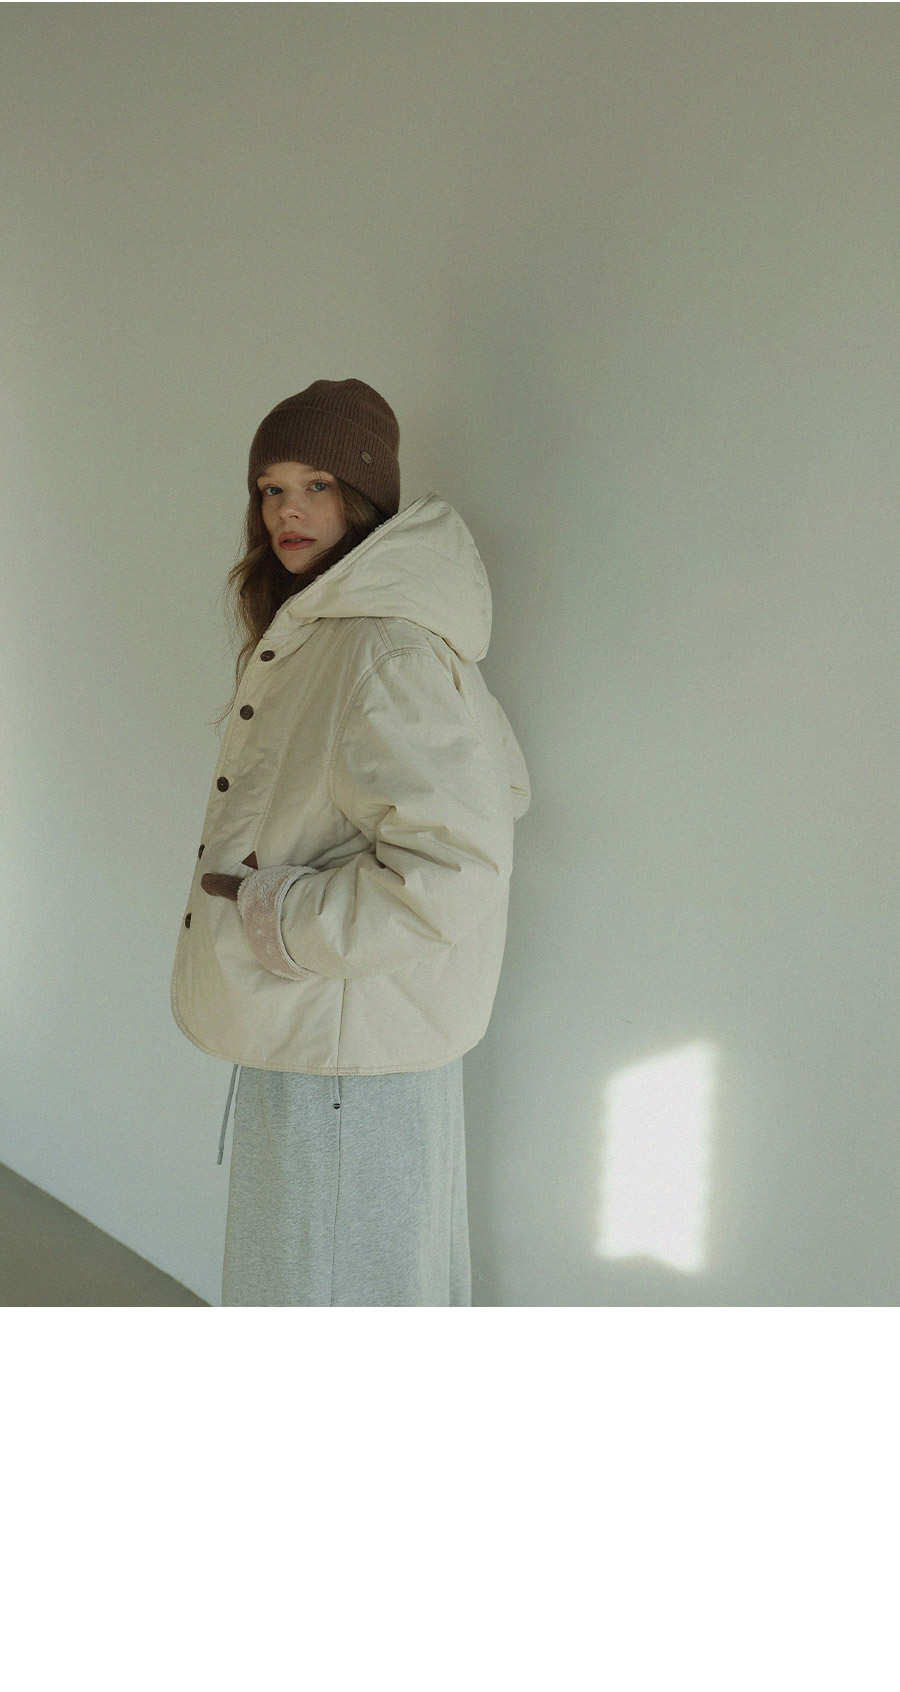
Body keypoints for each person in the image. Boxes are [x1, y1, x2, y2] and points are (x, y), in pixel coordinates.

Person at [169, 377, 530, 1306]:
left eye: (317, 485)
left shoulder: (383, 647)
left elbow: (457, 861)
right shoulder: (336, 631)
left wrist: (281, 918)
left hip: (343, 1047)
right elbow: (494, 794)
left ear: (363, 495)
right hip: (338, 1029)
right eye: (271, 488)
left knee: (324, 1296)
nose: (286, 510)